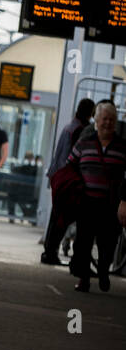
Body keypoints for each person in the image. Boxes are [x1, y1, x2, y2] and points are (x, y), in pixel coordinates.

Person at [68, 100, 126, 292]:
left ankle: (103, 271)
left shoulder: (122, 147)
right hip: (87, 202)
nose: (108, 123)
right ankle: (84, 278)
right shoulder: (85, 143)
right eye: (104, 119)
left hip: (111, 204)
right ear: (96, 120)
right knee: (83, 242)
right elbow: (70, 165)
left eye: (111, 119)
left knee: (107, 243)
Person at [41, 97, 96, 265]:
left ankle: (49, 252)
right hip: (68, 179)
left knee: (56, 217)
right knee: (62, 219)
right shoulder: (82, 130)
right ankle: (52, 253)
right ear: (91, 112)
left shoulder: (69, 126)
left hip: (58, 176)